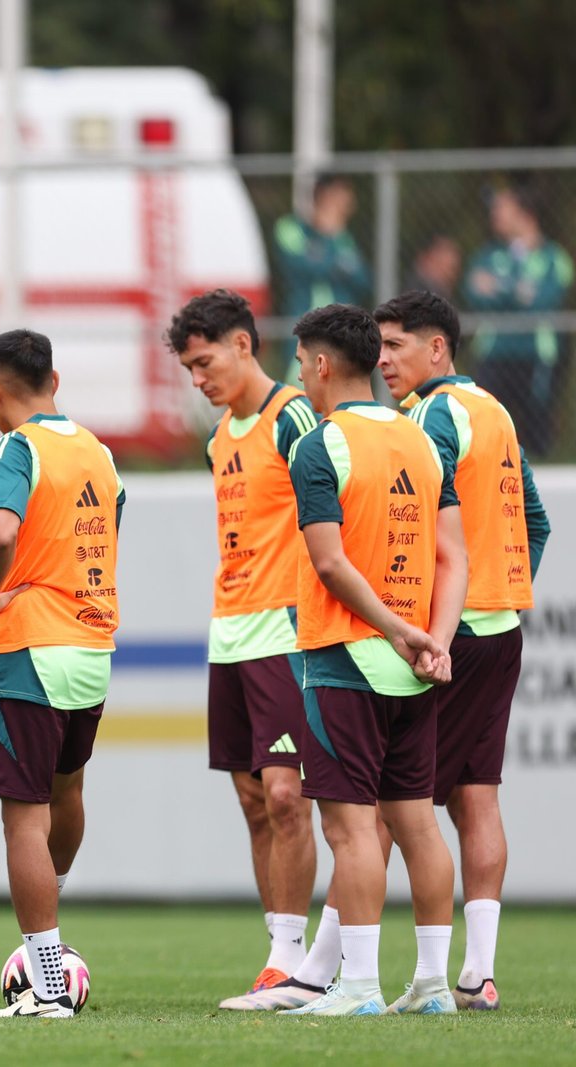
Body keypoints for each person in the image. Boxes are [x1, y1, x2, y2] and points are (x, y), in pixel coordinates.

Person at [280, 304, 467, 1017]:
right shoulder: (422, 440)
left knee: (351, 828)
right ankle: (432, 984)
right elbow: (455, 556)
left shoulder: (319, 444)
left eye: (301, 363)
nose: (300, 375)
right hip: (415, 661)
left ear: (323, 365)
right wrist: (435, 638)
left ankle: (357, 986)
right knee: (417, 822)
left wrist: (394, 631)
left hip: (347, 656)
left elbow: (329, 563)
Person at [374, 289, 551, 1011]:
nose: (382, 359)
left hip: (450, 636)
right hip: (499, 629)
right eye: (380, 346)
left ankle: (337, 965)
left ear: (437, 348)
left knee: (389, 801)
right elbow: (534, 520)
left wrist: (438, 626)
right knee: (477, 797)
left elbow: (422, 520)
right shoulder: (496, 410)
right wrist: (505, 588)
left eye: (395, 345)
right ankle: (478, 973)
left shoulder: (432, 414)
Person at [164, 291, 327, 1010]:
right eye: (188, 368)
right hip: (230, 627)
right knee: (253, 797)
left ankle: (293, 960)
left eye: (204, 362)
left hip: (288, 627)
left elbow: (332, 507)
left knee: (290, 794)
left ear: (241, 344)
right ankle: (279, 950)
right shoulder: (219, 437)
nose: (198, 379)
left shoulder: (292, 415)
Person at [0, 329, 124, 1020]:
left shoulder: (15, 446)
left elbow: (2, 532)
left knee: (22, 821)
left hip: (30, 646)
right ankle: (50, 936)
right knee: (68, 792)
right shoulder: (97, 450)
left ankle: (48, 981)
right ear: (55, 381)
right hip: (91, 646)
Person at [462, 184, 574, 456]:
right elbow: (473, 293)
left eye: (503, 207)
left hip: (535, 354)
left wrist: (498, 287)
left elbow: (542, 301)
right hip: (494, 353)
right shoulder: (489, 255)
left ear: (525, 213)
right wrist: (518, 290)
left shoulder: (554, 258)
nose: (495, 214)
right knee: (487, 423)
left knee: (537, 425)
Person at [273, 175, 371, 369]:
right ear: (327, 197)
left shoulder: (343, 237)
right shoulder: (289, 228)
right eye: (344, 197)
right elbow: (301, 268)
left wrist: (330, 242)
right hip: (303, 330)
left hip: (341, 332)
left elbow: (363, 280)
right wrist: (331, 246)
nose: (350, 204)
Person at [404, 233, 462, 302]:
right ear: (424, 259)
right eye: (446, 268)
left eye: (453, 270)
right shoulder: (416, 294)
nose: (451, 276)